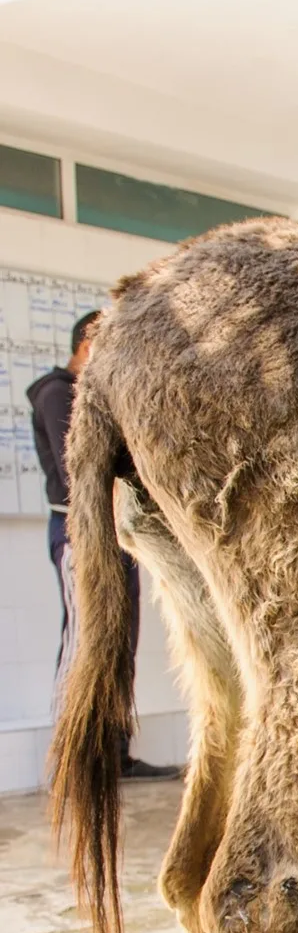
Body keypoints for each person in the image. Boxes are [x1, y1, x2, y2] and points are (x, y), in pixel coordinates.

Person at [29, 310, 177, 781]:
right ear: (89, 345)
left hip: (117, 535)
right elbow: (81, 467)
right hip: (81, 534)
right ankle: (72, 760)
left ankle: (115, 754)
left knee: (120, 644)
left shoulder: (103, 397)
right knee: (84, 641)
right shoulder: (58, 393)